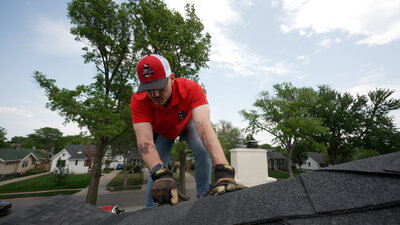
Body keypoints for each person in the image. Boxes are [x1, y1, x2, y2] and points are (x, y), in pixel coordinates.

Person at [130, 54, 244, 208]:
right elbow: (144, 141)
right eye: (149, 89)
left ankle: (203, 201)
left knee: (202, 151)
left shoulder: (191, 88)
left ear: (171, 78)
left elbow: (203, 125)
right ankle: (149, 211)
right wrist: (160, 172)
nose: (155, 94)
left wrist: (223, 168)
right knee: (157, 171)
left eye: (159, 86)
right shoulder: (138, 100)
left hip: (186, 123)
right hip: (163, 130)